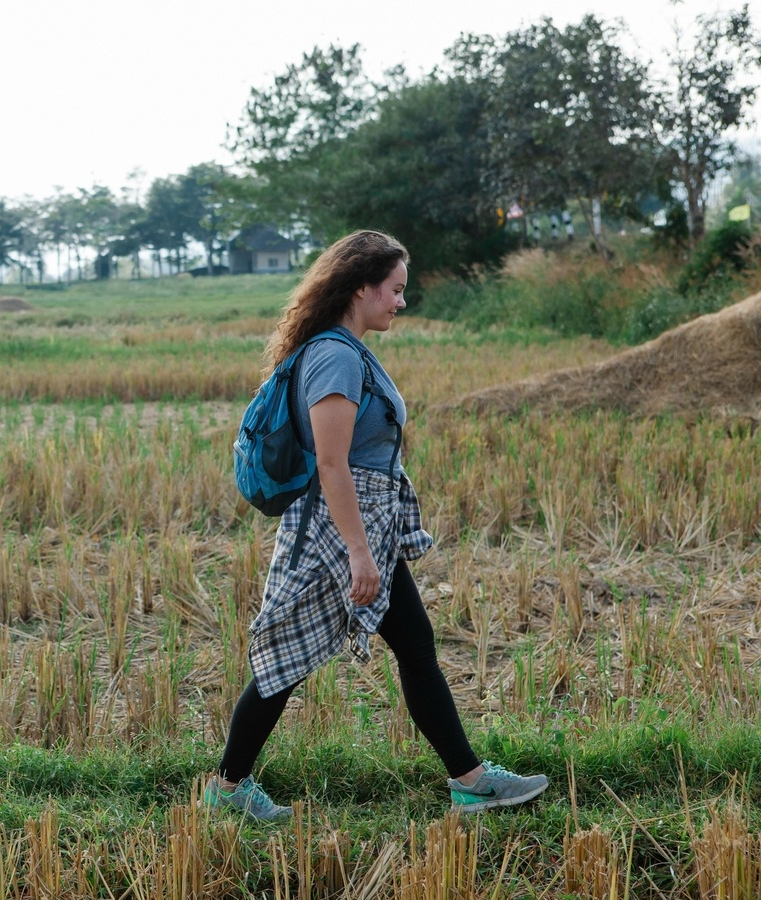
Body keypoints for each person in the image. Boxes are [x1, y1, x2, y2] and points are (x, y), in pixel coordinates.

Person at [205, 230, 548, 823]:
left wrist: (373, 545)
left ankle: (469, 781)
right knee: (286, 654)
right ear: (361, 287)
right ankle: (228, 787)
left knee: (414, 646)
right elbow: (333, 462)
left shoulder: (344, 348)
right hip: (339, 532)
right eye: (394, 290)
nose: (401, 302)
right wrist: (360, 554)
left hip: (365, 526)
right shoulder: (335, 356)